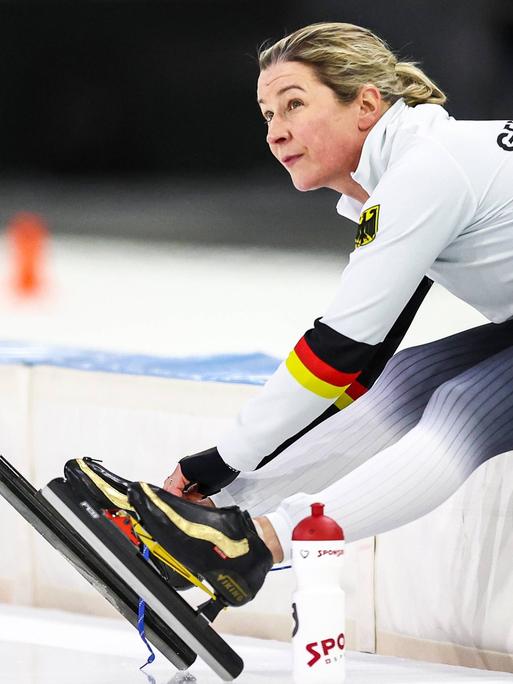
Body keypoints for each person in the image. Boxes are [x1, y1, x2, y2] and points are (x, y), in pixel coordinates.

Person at [66, 22, 513, 608]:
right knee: (408, 381)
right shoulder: (422, 165)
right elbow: (367, 362)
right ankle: (204, 531)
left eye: (294, 105)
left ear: (366, 105)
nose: (276, 133)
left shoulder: (426, 171)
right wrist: (219, 484)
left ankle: (253, 547)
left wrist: (221, 457)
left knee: (462, 410)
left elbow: (339, 350)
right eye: (267, 114)